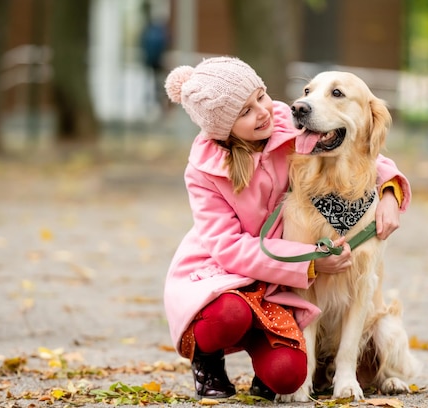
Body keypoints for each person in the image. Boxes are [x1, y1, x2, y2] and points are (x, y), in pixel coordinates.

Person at [162, 56, 411, 400]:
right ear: (224, 127)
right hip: (227, 277)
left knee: (286, 377)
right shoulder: (203, 170)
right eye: (245, 111)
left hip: (278, 285)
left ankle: (276, 359)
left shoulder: (287, 125)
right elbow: (230, 247)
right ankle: (208, 360)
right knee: (228, 316)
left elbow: (364, 154)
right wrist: (307, 262)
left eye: (261, 96)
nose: (263, 111)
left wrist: (390, 191)